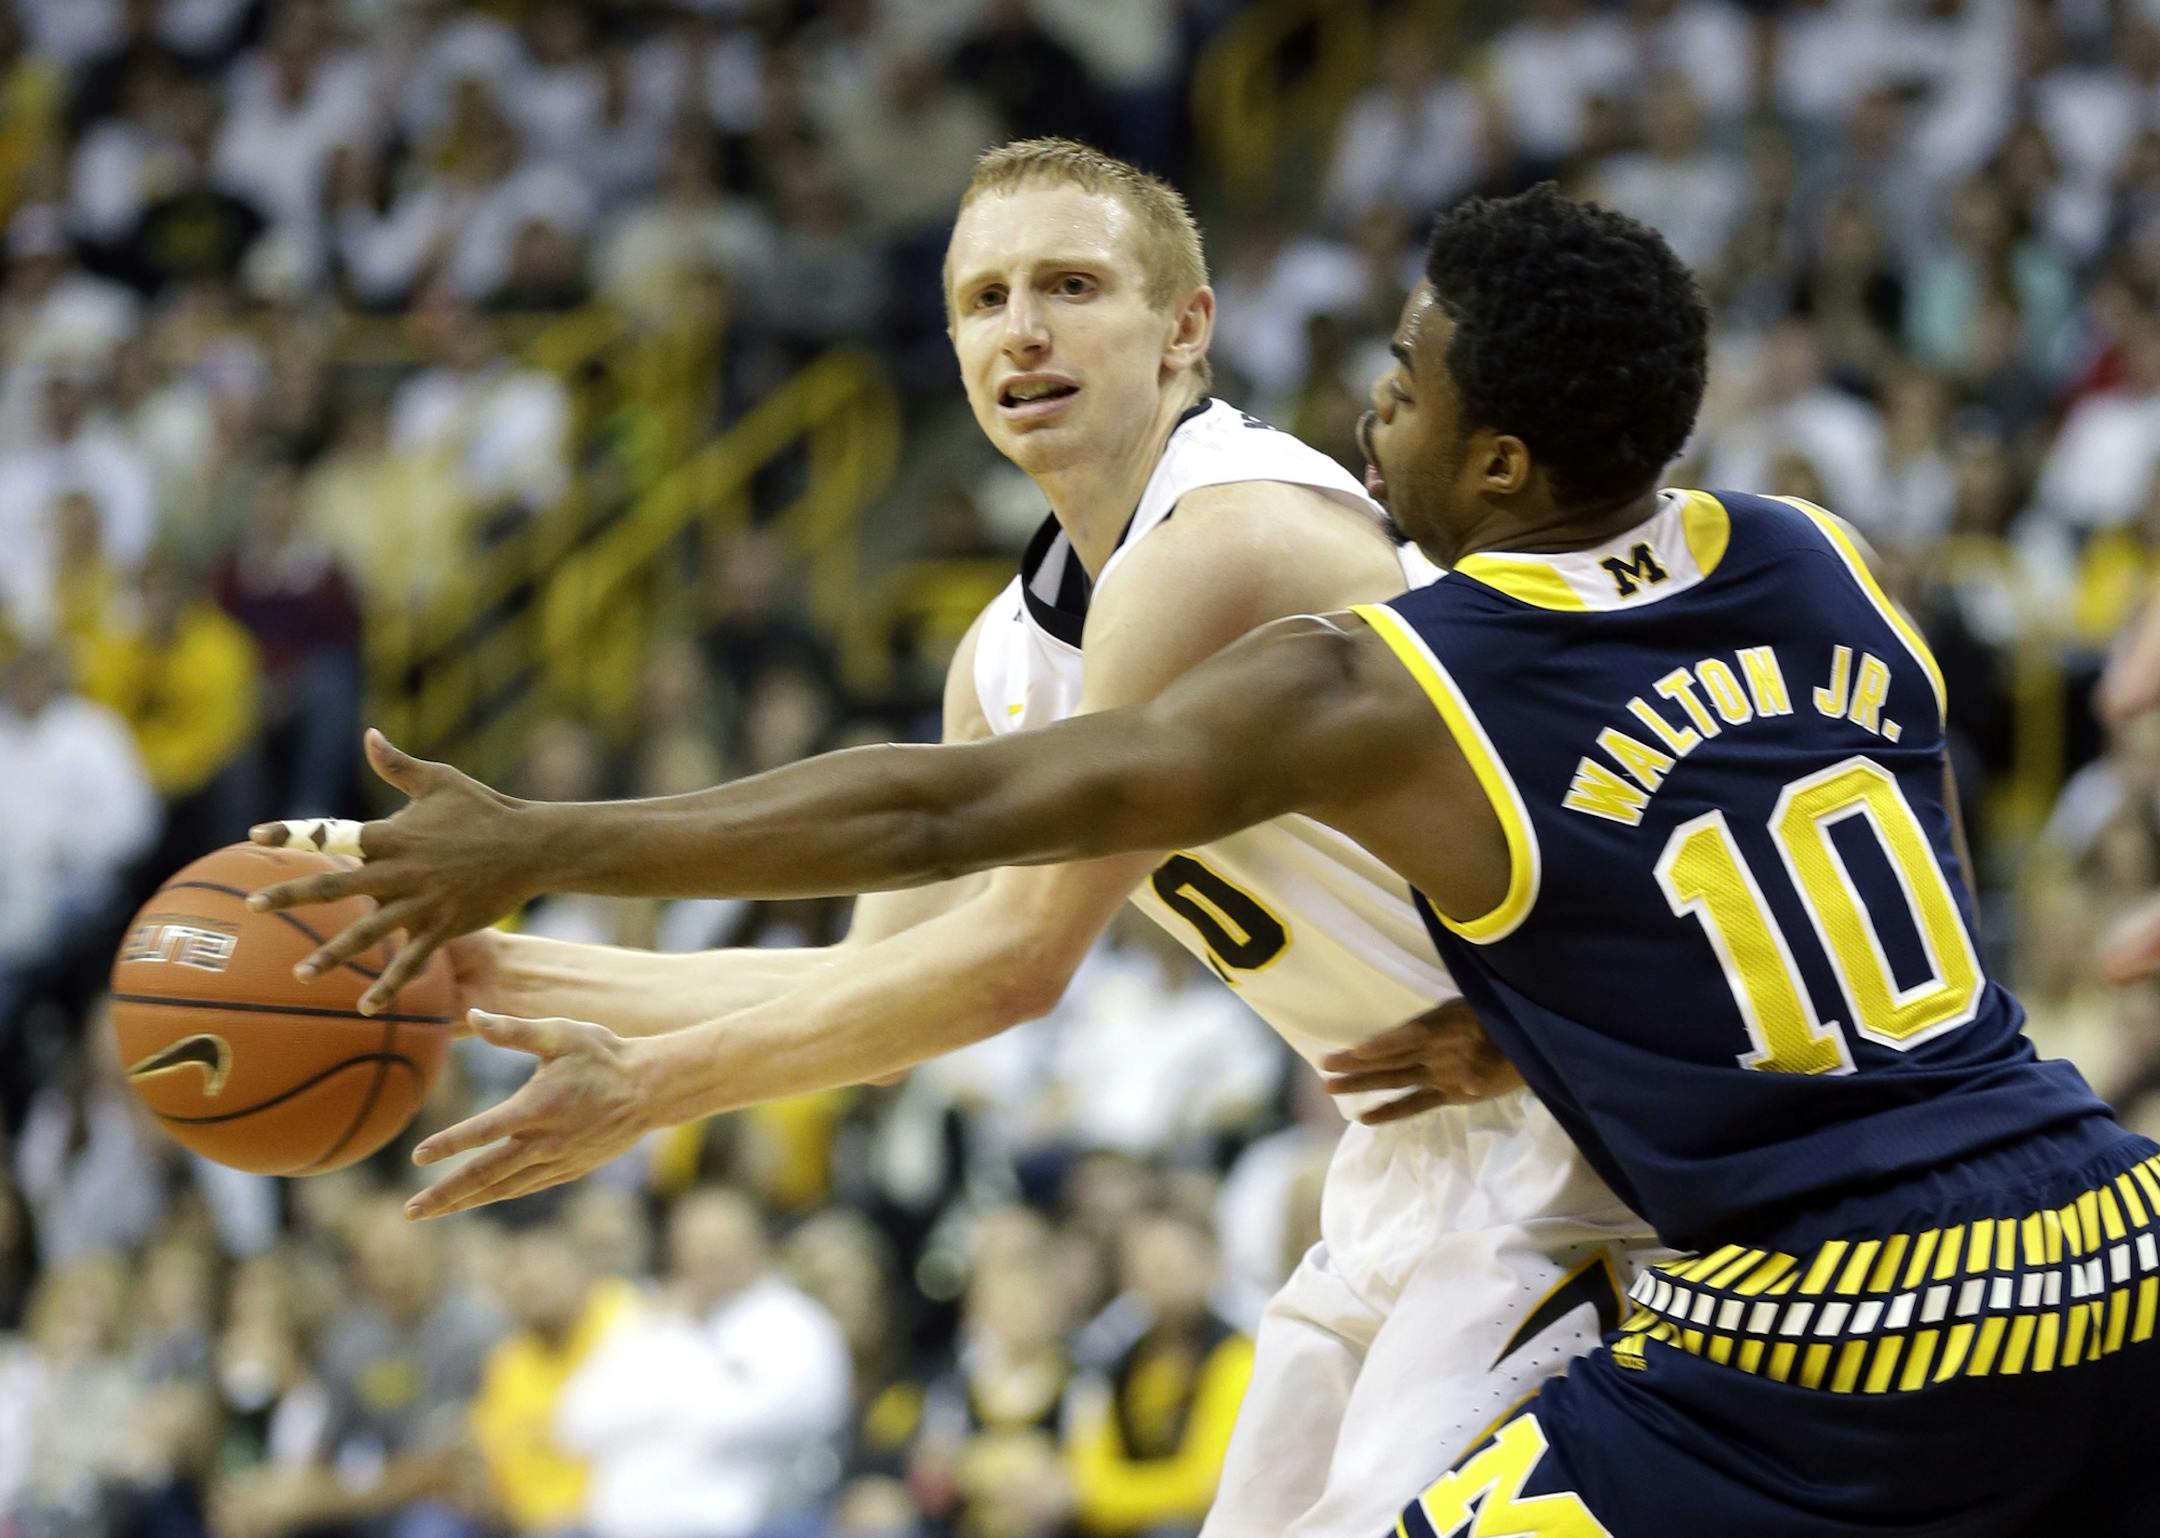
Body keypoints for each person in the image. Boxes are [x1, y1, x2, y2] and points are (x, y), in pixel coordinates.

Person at [268, 185, 2158, 1532]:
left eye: (1071, 285)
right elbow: (875, 967)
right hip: (1518, 1153)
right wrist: (477, 971)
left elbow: (994, 931)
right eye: (980, 295)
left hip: (1622, 1203)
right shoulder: (1817, 549)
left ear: (1184, 329)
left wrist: (535, 857)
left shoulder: (1282, 572)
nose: (1019, 328)